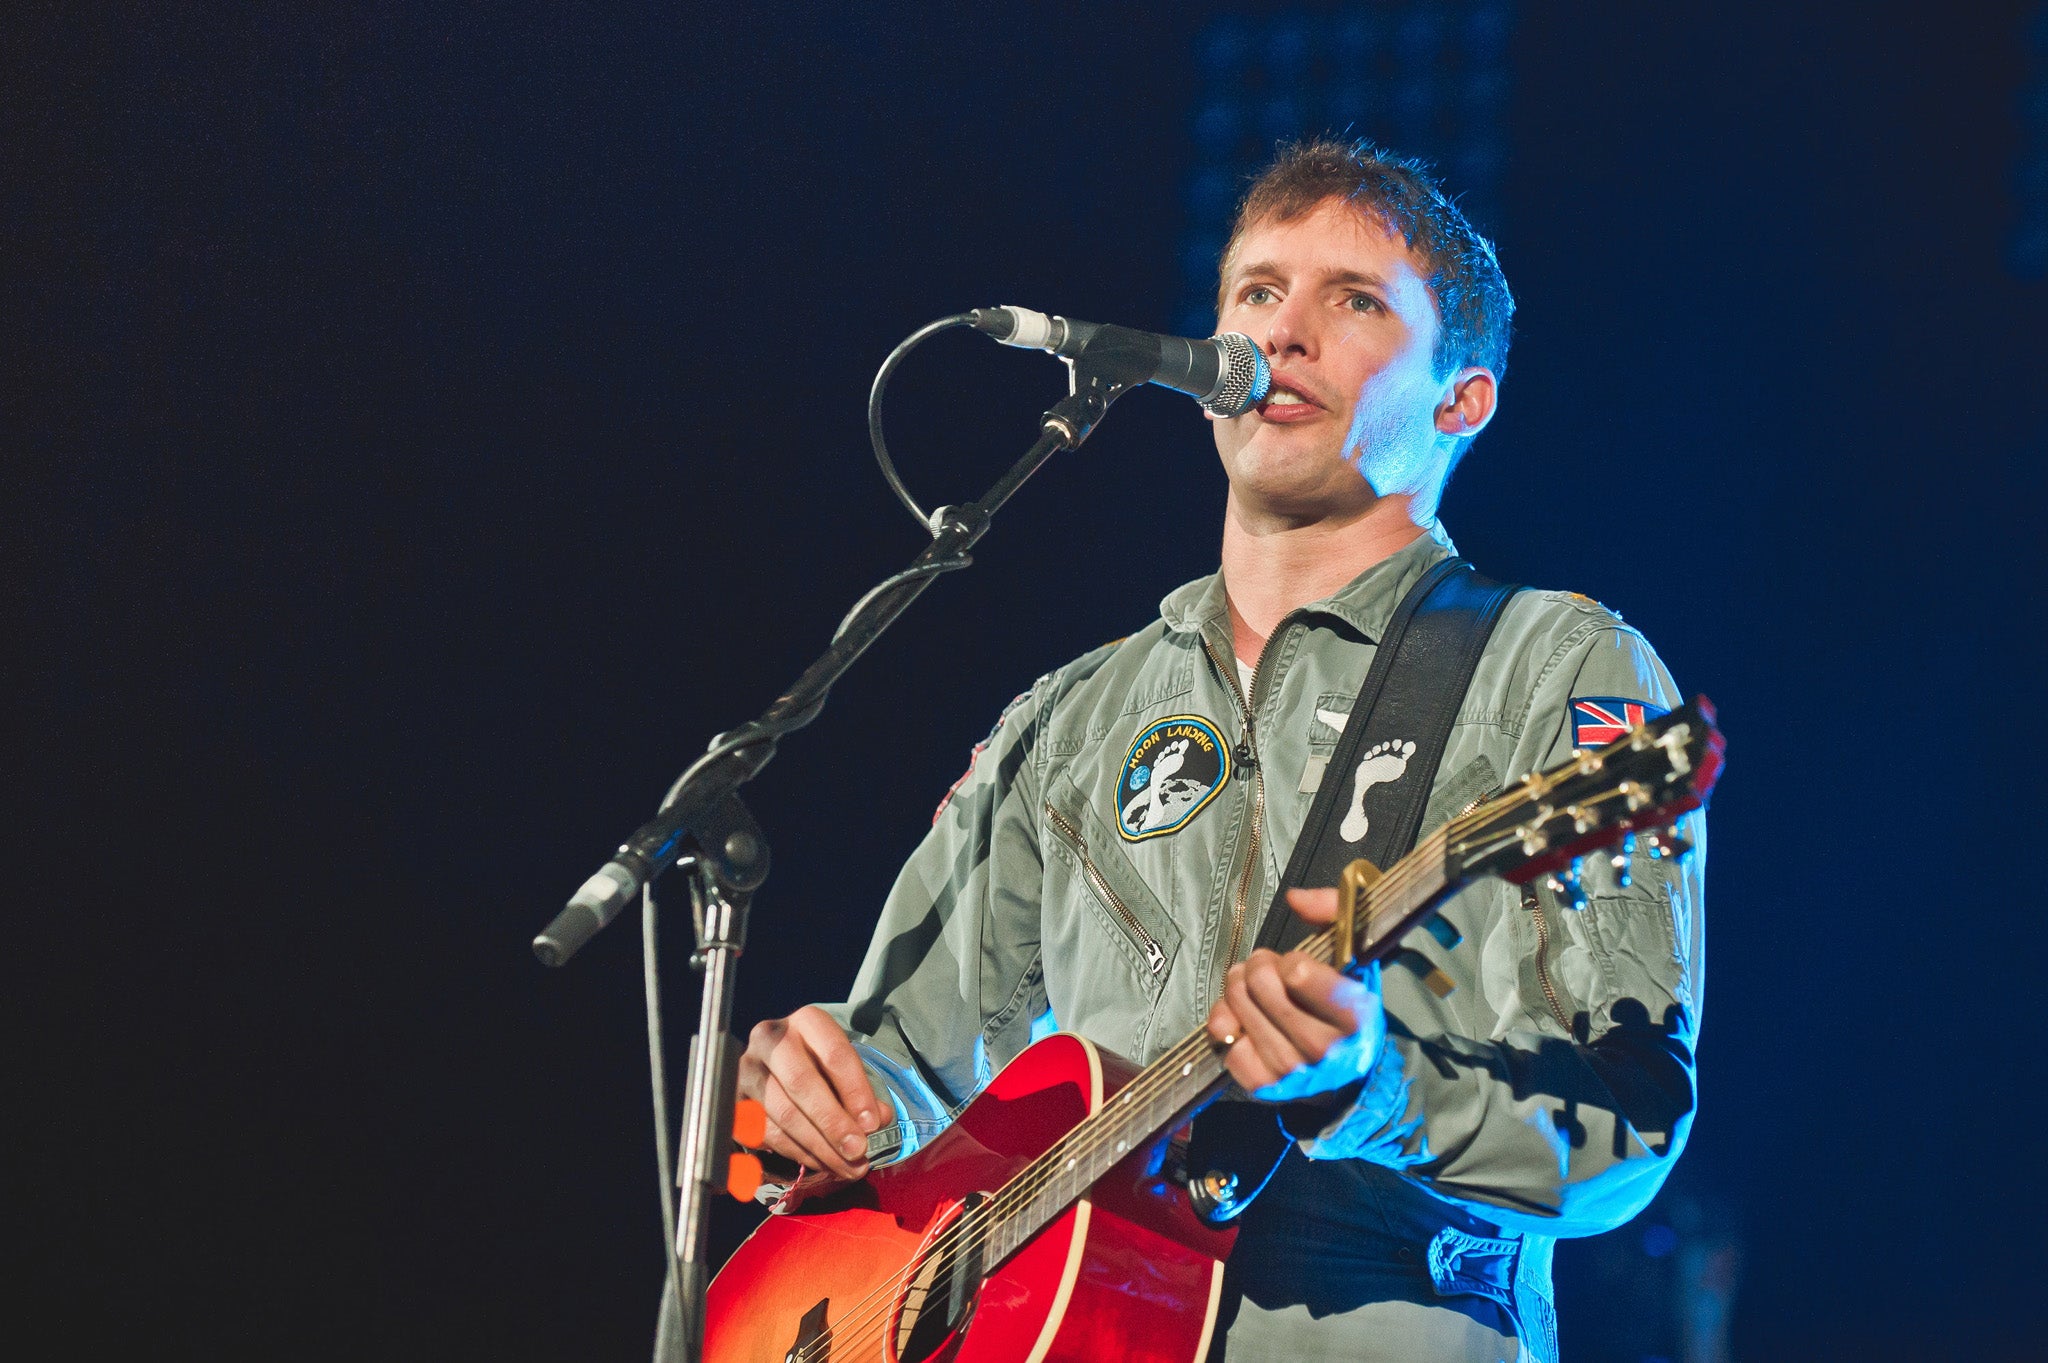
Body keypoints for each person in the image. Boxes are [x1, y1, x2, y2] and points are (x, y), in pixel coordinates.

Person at [736, 138, 1706, 1362]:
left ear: (1462, 399)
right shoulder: (1070, 711)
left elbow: (1629, 1132)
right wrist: (815, 1103)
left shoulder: (1556, 666)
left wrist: (1372, 1091)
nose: (1281, 334)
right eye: (1256, 292)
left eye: (1350, 300)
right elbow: (905, 1069)